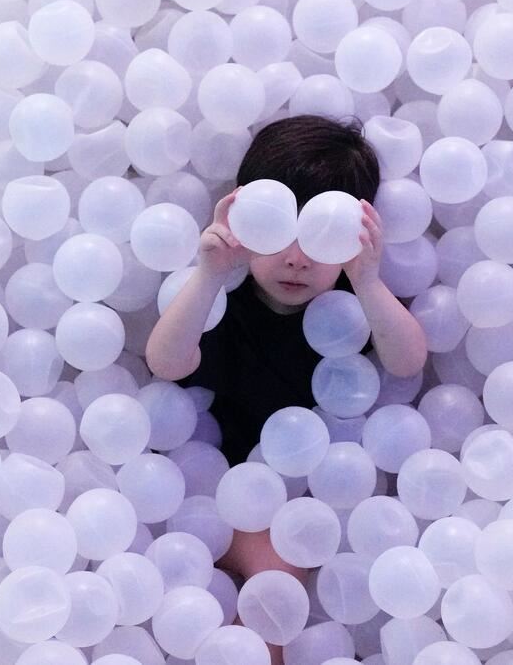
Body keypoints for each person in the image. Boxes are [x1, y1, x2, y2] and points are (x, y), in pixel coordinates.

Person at [144, 114, 428, 662]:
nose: (297, 257)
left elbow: (407, 358)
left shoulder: (351, 312)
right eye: (277, 230)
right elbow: (166, 362)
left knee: (272, 581)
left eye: (322, 235)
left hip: (299, 507)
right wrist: (207, 274)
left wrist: (367, 280)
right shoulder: (222, 302)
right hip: (200, 492)